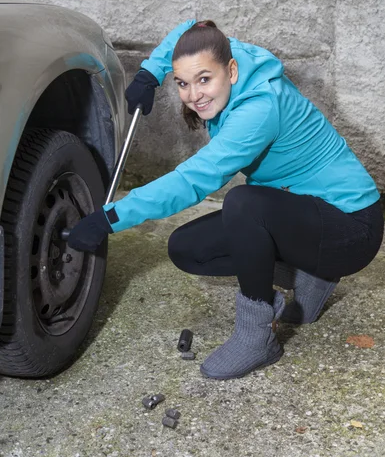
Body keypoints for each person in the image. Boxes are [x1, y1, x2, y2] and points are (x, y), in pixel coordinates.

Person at [68, 20, 384, 380]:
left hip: (351, 226)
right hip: (299, 213)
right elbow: (190, 30)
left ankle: (257, 337)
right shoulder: (220, 51)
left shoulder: (259, 108)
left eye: (204, 80)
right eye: (182, 83)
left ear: (231, 70)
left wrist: (111, 217)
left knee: (244, 204)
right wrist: (150, 74)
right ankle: (311, 277)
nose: (193, 95)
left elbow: (194, 180)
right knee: (187, 248)